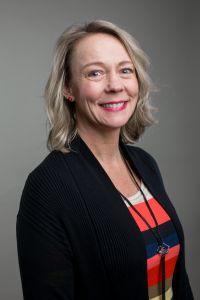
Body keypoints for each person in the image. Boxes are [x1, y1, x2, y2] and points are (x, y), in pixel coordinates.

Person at [16, 20, 194, 300]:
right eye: (95, 73)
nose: (115, 85)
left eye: (125, 70)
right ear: (68, 89)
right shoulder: (47, 187)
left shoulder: (145, 164)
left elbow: (178, 279)